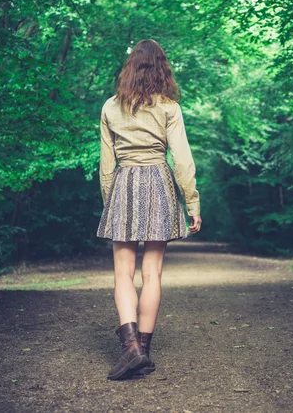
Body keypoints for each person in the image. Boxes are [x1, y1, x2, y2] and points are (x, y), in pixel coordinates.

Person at [96, 39, 202, 380]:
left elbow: (106, 164)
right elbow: (182, 159)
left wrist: (109, 204)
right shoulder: (169, 107)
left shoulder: (111, 107)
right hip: (159, 183)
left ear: (129, 70)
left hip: (124, 183)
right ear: (162, 69)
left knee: (123, 273)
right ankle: (142, 349)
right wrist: (192, 202)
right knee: (152, 274)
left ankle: (132, 350)